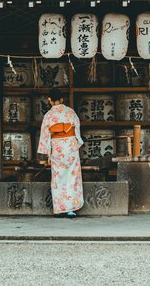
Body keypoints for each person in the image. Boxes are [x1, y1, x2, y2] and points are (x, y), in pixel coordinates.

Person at [37, 88, 84, 218]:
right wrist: (76, 143)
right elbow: (77, 129)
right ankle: (71, 209)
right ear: (62, 99)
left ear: (50, 100)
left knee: (58, 178)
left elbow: (45, 135)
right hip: (70, 147)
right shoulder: (70, 112)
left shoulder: (48, 116)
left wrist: (47, 152)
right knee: (72, 176)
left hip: (57, 148)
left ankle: (59, 209)